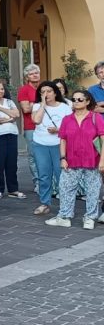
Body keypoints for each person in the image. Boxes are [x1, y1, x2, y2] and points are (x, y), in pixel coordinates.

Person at [49, 89, 104, 230]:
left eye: (80, 99)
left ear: (87, 101)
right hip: (71, 160)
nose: (76, 102)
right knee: (65, 188)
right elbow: (63, 140)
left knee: (93, 190)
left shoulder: (95, 117)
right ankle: (64, 217)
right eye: (74, 99)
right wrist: (62, 158)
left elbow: (103, 140)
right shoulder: (67, 119)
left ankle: (90, 218)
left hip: (92, 160)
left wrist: (102, 161)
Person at [30, 80, 71, 216]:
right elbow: (36, 120)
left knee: (61, 175)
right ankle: (45, 203)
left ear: (55, 93)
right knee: (44, 175)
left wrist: (58, 130)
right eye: (42, 92)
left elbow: (71, 128)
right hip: (40, 143)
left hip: (59, 144)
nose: (45, 94)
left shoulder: (64, 107)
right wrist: (42, 104)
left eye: (48, 91)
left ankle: (65, 204)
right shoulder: (37, 105)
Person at [0, 81, 24, 199]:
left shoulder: (9, 102)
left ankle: (13, 189)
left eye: (2, 89)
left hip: (12, 133)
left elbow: (16, 114)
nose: (1, 91)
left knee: (12, 162)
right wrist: (9, 119)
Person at [17, 63, 42, 191]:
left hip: (45, 126)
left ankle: (46, 180)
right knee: (33, 155)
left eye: (36, 72)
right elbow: (26, 109)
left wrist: (35, 104)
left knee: (45, 154)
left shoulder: (44, 88)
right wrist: (40, 103)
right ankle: (37, 181)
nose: (34, 75)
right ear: (27, 77)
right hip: (31, 126)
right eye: (31, 74)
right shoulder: (24, 90)